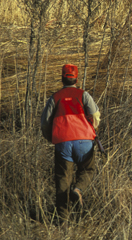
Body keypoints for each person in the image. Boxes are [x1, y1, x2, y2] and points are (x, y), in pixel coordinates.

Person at [40, 64, 101, 222]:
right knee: (88, 170)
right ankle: (78, 189)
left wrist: (51, 138)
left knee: (62, 179)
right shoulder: (83, 95)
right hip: (85, 141)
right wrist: (92, 128)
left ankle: (63, 220)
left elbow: (45, 123)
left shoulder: (55, 97)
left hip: (63, 143)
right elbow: (95, 114)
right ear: (76, 78)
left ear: (62, 78)